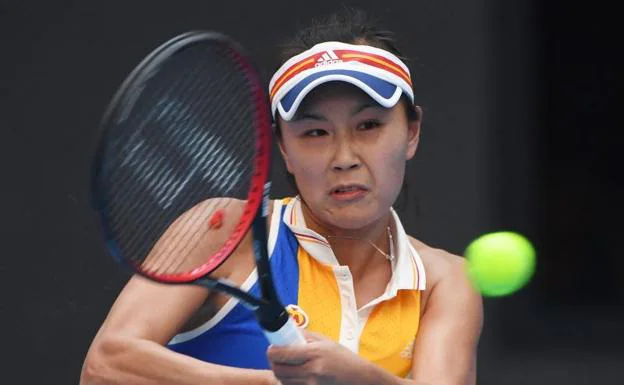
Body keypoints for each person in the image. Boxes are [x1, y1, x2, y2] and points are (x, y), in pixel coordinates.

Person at [80, 8, 483, 385]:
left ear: (411, 132)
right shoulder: (226, 230)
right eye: (315, 132)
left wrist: (359, 379)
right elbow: (105, 366)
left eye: (369, 125)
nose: (344, 158)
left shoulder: (443, 282)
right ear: (284, 148)